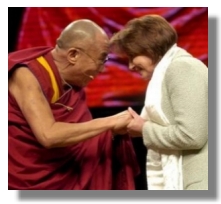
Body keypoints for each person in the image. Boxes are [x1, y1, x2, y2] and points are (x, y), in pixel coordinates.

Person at [8, 19, 139, 190]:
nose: (101, 70)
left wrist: (112, 132)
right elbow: (48, 135)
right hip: (21, 179)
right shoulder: (26, 74)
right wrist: (110, 122)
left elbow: (80, 138)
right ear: (73, 55)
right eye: (101, 60)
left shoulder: (71, 84)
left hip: (59, 174)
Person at [110, 14, 208, 190]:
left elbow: (192, 136)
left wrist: (144, 129)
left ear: (151, 49)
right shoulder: (170, 71)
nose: (131, 66)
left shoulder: (182, 68)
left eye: (133, 56)